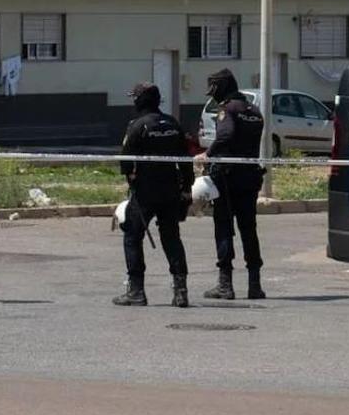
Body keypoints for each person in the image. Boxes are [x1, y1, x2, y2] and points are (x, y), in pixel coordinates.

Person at [113, 83, 193, 308]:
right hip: (170, 190)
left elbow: (126, 161)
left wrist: (131, 179)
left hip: (146, 192)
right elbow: (185, 161)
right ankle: (181, 292)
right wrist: (187, 187)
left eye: (134, 98)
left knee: (132, 235)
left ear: (141, 101)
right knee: (172, 238)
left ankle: (136, 290)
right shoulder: (173, 124)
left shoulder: (137, 126)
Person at [193, 68, 267, 301]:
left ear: (220, 88)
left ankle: (225, 285)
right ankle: (255, 285)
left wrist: (208, 154)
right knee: (249, 229)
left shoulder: (228, 110)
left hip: (228, 178)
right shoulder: (254, 111)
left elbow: (225, 136)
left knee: (224, 228)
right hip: (250, 177)